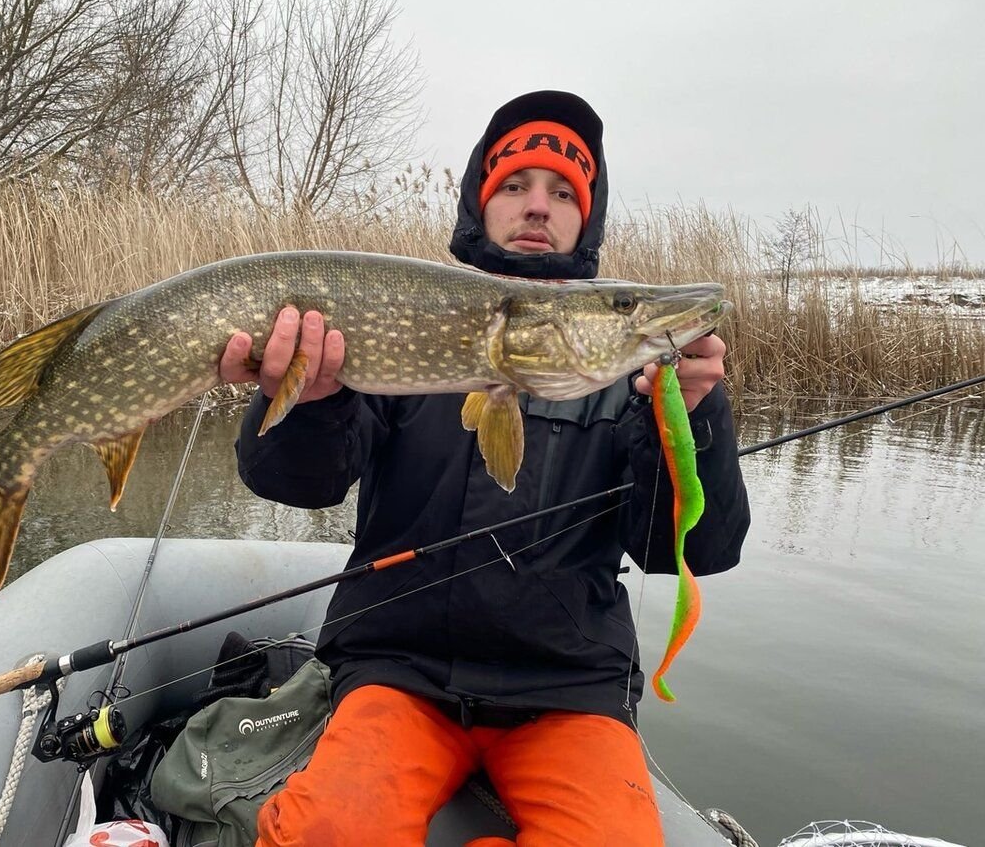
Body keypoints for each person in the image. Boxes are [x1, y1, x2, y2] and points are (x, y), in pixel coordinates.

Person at [218, 90, 751, 846]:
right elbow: (296, 485)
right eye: (516, 186)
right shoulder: (402, 325)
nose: (539, 206)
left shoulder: (631, 382)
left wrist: (695, 418)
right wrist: (308, 400)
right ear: (481, 202)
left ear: (585, 219)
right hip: (400, 672)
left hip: (567, 692)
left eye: (564, 192)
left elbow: (694, 552)